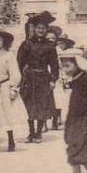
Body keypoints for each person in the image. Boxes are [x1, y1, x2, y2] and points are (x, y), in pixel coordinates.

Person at [17, 11, 59, 143]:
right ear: (34, 29)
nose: (41, 30)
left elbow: (54, 65)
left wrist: (53, 79)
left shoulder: (50, 46)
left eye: (43, 28)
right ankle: (31, 132)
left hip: (43, 78)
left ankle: (39, 133)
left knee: (42, 105)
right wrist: (18, 79)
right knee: (28, 105)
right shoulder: (26, 44)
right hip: (29, 78)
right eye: (38, 28)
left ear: (46, 30)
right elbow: (19, 63)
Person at [50, 34, 75, 130]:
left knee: (60, 100)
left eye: (63, 44)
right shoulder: (55, 50)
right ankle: (54, 120)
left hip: (62, 78)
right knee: (55, 99)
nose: (61, 45)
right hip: (55, 78)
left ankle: (59, 118)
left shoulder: (67, 53)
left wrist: (66, 77)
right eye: (59, 43)